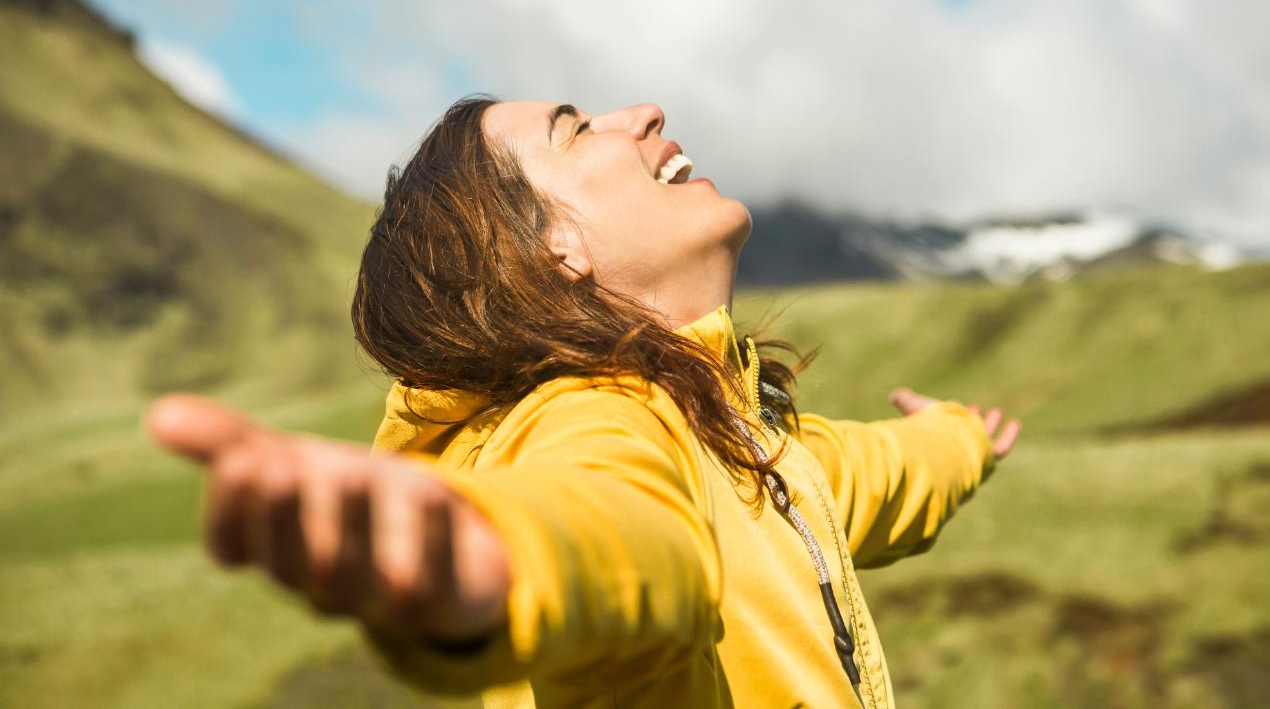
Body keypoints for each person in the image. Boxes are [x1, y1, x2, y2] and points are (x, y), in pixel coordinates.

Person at [145, 96, 1021, 708]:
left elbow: (868, 475)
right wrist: (494, 559)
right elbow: (609, 524)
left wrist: (957, 437)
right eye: (575, 129)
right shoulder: (597, 414)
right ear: (551, 249)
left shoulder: (738, 436)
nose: (644, 114)